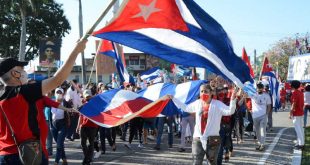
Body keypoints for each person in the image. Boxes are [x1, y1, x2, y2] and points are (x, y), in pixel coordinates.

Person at [0, 39, 87, 164]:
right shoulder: (24, 91)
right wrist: (76, 51)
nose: (25, 71)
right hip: (27, 155)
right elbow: (57, 79)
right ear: (15, 73)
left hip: (4, 155)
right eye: (22, 69)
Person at [183, 84, 237, 165]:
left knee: (211, 163)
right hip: (198, 139)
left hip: (213, 139)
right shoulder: (197, 103)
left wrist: (233, 99)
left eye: (206, 91)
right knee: (196, 162)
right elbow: (185, 108)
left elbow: (230, 111)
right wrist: (173, 99)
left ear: (211, 92)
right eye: (201, 91)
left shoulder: (217, 104)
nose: (203, 93)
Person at [76, 90, 99, 165]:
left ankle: (87, 159)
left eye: (88, 95)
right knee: (83, 143)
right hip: (84, 126)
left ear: (91, 96)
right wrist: (78, 126)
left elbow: (99, 116)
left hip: (93, 126)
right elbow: (80, 116)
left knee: (91, 143)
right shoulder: (83, 105)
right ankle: (87, 158)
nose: (87, 97)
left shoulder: (95, 105)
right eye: (86, 96)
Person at [250, 82, 272, 151]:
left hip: (263, 116)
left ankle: (262, 144)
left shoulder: (267, 95)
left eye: (261, 88)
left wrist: (267, 114)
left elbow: (269, 105)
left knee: (263, 130)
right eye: (258, 88)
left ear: (263, 88)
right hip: (255, 116)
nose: (259, 89)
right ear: (256, 89)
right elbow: (244, 96)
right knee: (257, 131)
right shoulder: (253, 95)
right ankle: (260, 143)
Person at [290, 80, 305, 150]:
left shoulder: (294, 93)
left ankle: (301, 144)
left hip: (296, 113)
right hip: (301, 112)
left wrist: (290, 112)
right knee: (301, 128)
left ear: (292, 86)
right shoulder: (301, 93)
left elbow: (293, 104)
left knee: (298, 129)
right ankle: (301, 142)